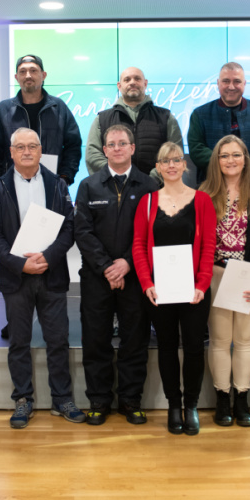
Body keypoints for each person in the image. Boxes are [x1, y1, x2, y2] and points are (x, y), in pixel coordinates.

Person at [0, 127, 85, 428]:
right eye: (20, 147)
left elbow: (69, 227)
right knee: (19, 342)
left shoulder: (58, 184)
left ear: (41, 151)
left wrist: (49, 257)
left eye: (32, 146)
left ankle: (62, 399)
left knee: (58, 340)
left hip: (51, 274)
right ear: (11, 152)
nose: (27, 151)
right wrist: (20, 264)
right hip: (16, 278)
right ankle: (22, 399)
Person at [74, 123, 158, 425]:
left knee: (134, 341)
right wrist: (107, 266)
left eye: (123, 143)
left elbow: (152, 232)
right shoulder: (88, 185)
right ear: (104, 150)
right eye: (111, 144)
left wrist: (127, 263)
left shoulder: (149, 186)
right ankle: (99, 401)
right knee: (95, 340)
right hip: (97, 277)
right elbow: (82, 231)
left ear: (132, 148)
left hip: (135, 277)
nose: (117, 148)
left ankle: (130, 401)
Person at [132, 142, 216, 435]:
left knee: (194, 348)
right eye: (165, 161)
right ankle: (173, 405)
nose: (171, 165)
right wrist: (147, 283)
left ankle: (191, 405)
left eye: (176, 160)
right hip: (160, 291)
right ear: (157, 167)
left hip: (194, 291)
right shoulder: (147, 202)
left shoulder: (202, 200)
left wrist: (202, 284)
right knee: (166, 348)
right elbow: (138, 246)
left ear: (184, 165)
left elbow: (209, 246)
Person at [200, 135, 250, 427]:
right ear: (216, 161)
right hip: (216, 276)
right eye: (224, 155)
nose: (230, 160)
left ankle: (242, 401)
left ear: (245, 159)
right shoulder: (205, 194)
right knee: (220, 341)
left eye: (236, 155)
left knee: (245, 341)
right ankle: (222, 400)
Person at [0, 55, 82, 186]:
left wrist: (65, 178)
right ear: (16, 77)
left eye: (33, 71)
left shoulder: (58, 107)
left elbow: (73, 146)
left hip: (51, 186)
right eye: (22, 71)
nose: (28, 75)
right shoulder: (3, 109)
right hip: (12, 187)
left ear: (43, 75)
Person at [187, 62, 250, 182]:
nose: (231, 86)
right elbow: (197, 149)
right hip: (212, 185)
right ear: (218, 83)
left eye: (237, 81)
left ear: (244, 84)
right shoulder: (200, 114)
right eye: (226, 81)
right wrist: (226, 165)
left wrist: (245, 167)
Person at [84, 67, 182, 178]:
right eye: (127, 80)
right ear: (119, 86)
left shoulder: (166, 117)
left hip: (156, 186)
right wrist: (118, 175)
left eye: (137, 79)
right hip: (113, 187)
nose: (132, 82)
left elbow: (176, 153)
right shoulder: (102, 119)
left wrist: (152, 179)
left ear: (145, 83)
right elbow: (92, 155)